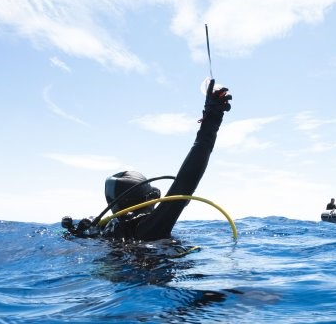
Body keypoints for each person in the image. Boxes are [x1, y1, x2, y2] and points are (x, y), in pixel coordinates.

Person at [62, 79, 232, 241]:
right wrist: (212, 119)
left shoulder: (107, 229)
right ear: (144, 199)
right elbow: (186, 182)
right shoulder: (149, 229)